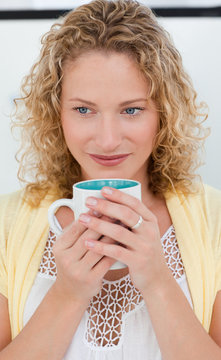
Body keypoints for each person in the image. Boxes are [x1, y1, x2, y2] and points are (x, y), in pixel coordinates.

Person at [0, 0, 220, 359]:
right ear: (58, 114)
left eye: (131, 110)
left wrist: (157, 279)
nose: (107, 140)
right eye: (84, 110)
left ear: (164, 113)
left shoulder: (215, 220)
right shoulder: (5, 224)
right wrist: (68, 293)